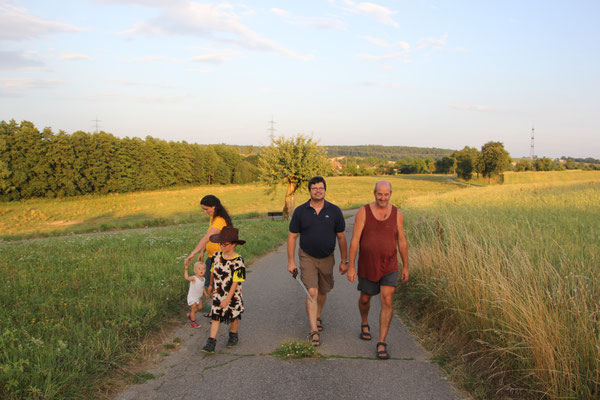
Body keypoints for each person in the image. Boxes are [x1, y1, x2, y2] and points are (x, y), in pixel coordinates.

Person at [346, 180, 409, 360]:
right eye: (380, 194)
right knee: (365, 298)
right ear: (374, 193)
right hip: (368, 265)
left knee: (387, 299)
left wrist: (405, 265)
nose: (383, 197)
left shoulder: (397, 214)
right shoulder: (363, 212)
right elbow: (355, 240)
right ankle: (364, 322)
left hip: (389, 264)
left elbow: (402, 241)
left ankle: (382, 342)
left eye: (386, 194)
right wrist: (351, 266)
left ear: (390, 194)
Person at [287, 176, 348, 347]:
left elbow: (342, 237)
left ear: (325, 190)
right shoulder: (300, 211)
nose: (318, 191)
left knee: (323, 290)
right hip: (307, 256)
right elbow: (292, 237)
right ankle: (314, 331)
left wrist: (345, 260)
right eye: (314, 188)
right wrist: (291, 261)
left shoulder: (335, 211)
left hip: (328, 257)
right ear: (310, 191)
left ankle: (318, 315)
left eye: (321, 188)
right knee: (312, 291)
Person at [201, 226, 247, 354]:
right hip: (218, 293)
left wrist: (228, 298)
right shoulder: (216, 256)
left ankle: (233, 335)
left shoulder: (239, 261)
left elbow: (236, 282)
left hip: (233, 295)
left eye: (225, 244)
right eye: (220, 243)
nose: (222, 246)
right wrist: (210, 284)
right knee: (216, 317)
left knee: (233, 317)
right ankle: (211, 343)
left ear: (233, 245)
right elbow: (212, 272)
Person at [185, 195, 233, 296]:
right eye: (203, 209)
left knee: (219, 287)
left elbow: (207, 237)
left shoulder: (220, 220)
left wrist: (193, 253)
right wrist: (202, 251)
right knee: (209, 285)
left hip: (220, 259)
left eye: (206, 209)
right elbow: (208, 237)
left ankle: (221, 307)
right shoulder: (213, 218)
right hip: (212, 257)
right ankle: (215, 307)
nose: (205, 212)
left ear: (214, 207)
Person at [184, 261, 209, 328]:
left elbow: (202, 287)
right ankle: (193, 322)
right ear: (195, 271)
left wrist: (206, 293)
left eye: (203, 269)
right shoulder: (194, 278)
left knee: (200, 307)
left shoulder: (203, 279)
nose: (201, 270)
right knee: (193, 308)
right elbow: (187, 278)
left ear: (205, 270)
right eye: (199, 269)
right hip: (192, 297)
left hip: (198, 297)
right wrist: (186, 269)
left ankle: (191, 315)